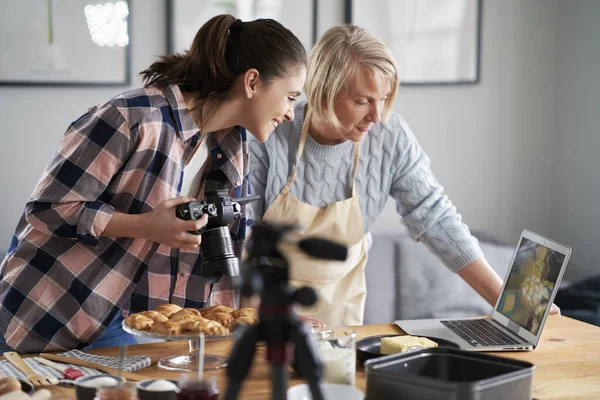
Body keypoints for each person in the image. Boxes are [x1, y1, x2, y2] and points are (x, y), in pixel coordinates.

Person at [0, 14, 307, 353]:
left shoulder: (233, 146)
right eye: (290, 97)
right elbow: (46, 210)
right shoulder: (130, 118)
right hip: (52, 313)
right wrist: (146, 226)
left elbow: (230, 248)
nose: (291, 112)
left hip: (133, 324)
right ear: (252, 82)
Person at [248, 24, 559, 327]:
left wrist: (510, 304)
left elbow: (436, 217)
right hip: (262, 314)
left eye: (382, 99)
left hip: (341, 321)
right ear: (324, 91)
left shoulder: (389, 136)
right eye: (362, 101)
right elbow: (241, 239)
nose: (377, 115)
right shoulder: (270, 134)